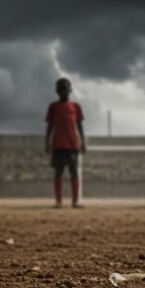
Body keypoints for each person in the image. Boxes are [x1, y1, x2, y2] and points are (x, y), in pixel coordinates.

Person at [45, 78, 86, 208]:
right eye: (60, 88)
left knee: (74, 172)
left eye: (65, 88)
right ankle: (58, 201)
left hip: (73, 145)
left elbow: (79, 125)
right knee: (58, 172)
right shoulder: (53, 107)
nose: (63, 90)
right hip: (58, 145)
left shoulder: (75, 106)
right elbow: (50, 126)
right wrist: (47, 142)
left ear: (70, 90)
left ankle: (75, 201)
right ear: (57, 91)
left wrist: (83, 142)